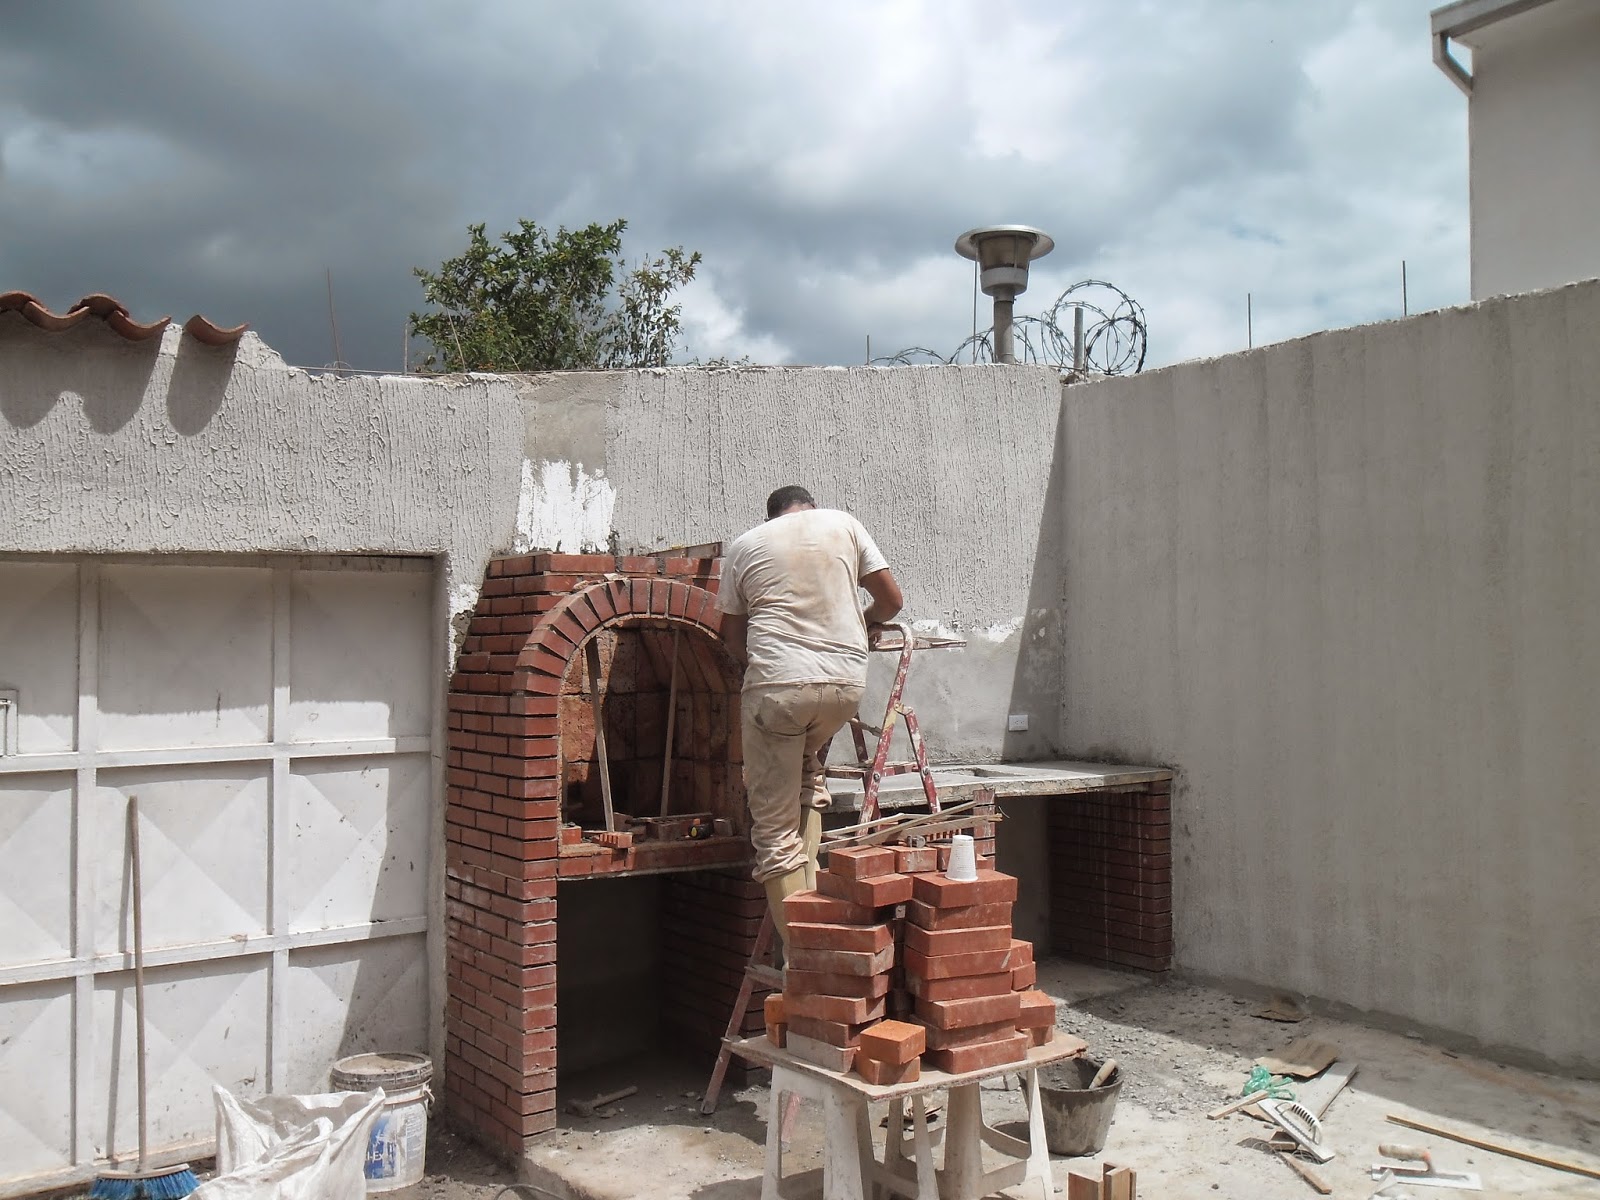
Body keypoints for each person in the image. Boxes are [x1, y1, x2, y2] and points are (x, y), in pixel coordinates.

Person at [717, 485, 904, 951]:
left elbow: (730, 636)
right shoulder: (844, 524)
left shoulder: (746, 544)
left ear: (772, 515)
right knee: (805, 778)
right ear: (811, 508)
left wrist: (763, 668)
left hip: (780, 688)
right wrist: (866, 621)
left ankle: (807, 961)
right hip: (844, 686)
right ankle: (814, 904)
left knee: (774, 831)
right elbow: (891, 602)